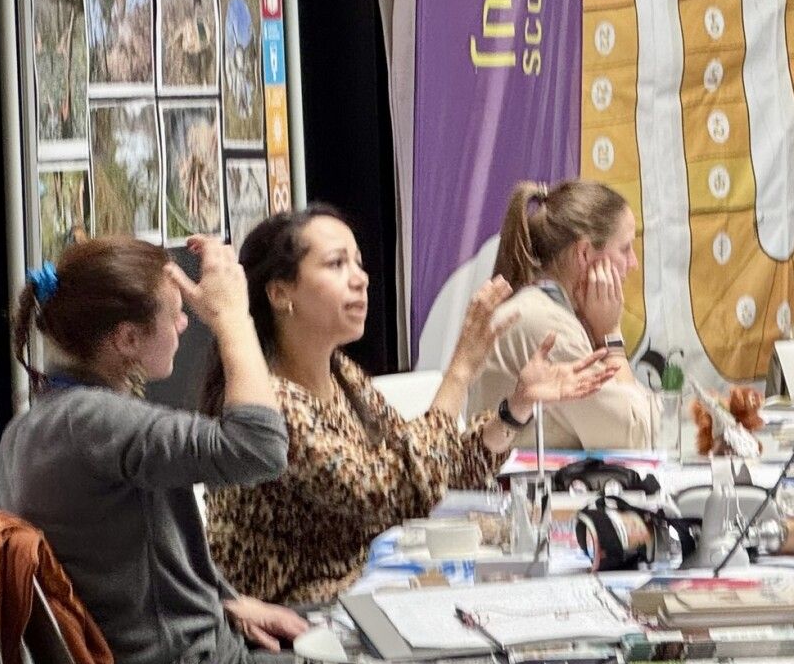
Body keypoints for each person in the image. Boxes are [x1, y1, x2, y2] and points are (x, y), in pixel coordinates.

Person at [0, 235, 309, 664]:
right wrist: (233, 318)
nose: (186, 324)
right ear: (128, 338)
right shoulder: (99, 423)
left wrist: (226, 602)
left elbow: (118, 567)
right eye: (176, 314)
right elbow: (259, 448)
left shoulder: (32, 428)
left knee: (337, 647)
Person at [204, 206, 615, 604]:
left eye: (359, 263)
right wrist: (458, 373)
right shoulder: (268, 400)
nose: (360, 279)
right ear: (280, 293)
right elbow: (381, 493)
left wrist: (516, 407)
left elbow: (429, 472)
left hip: (355, 592)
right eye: (336, 264)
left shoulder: (341, 374)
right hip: (291, 616)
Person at [470, 180, 665, 451]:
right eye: (624, 249)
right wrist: (611, 337)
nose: (633, 263)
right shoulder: (546, 326)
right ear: (584, 253)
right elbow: (637, 436)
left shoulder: (547, 311)